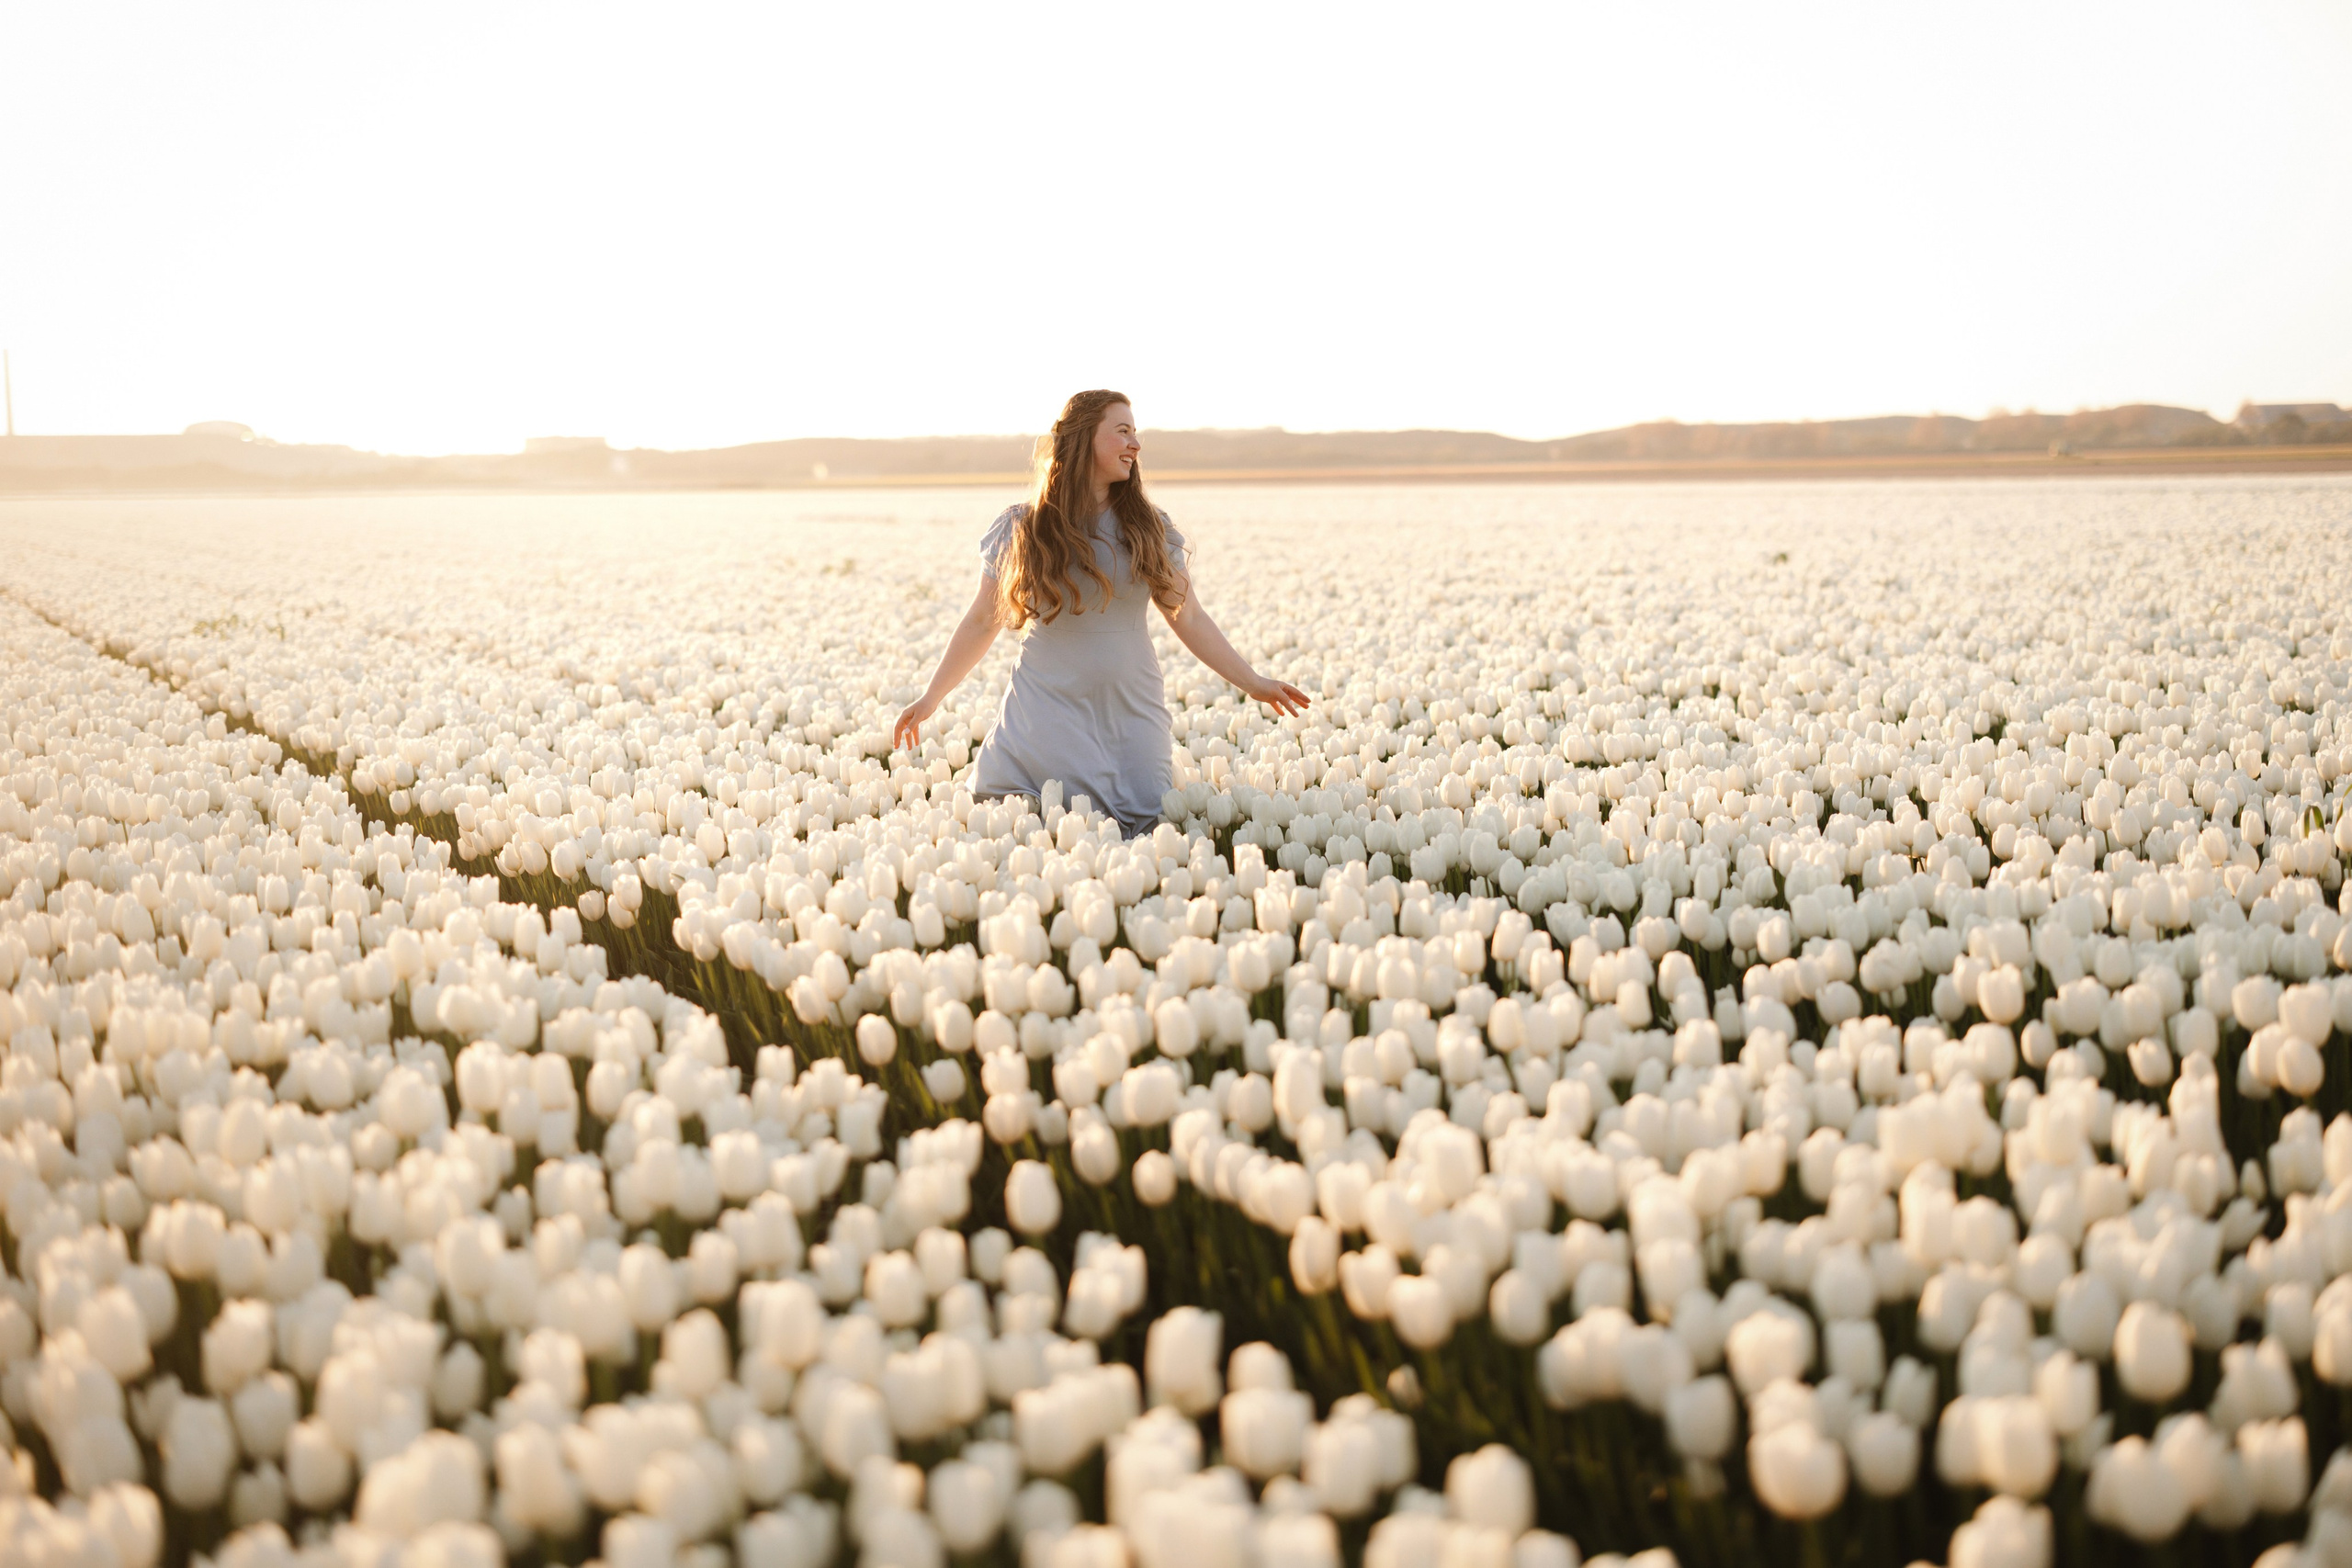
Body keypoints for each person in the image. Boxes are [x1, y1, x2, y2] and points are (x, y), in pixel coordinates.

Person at [892, 389, 1308, 838]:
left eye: (1136, 433)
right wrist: (931, 698)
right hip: (1046, 713)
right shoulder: (1023, 526)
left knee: (1147, 834)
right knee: (1039, 838)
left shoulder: (1148, 526)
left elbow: (1187, 616)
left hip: (1132, 712)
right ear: (1083, 438)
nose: (1136, 444)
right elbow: (982, 621)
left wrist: (1253, 683)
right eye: (1123, 431)